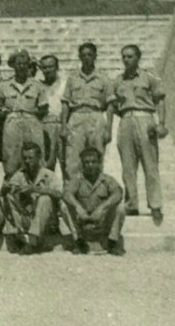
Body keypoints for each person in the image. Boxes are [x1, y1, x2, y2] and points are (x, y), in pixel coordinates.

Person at [111, 44, 167, 225]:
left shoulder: (149, 78)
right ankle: (132, 203)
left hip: (145, 120)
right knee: (128, 166)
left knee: (150, 165)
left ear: (138, 58)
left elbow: (160, 101)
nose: (126, 60)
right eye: (124, 57)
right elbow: (114, 105)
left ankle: (155, 205)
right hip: (126, 120)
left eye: (130, 56)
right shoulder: (118, 81)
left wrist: (161, 124)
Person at [60, 42, 114, 182]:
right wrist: (64, 126)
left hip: (96, 116)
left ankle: (96, 193)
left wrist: (109, 129)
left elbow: (110, 104)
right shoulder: (72, 78)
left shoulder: (103, 78)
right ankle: (73, 195)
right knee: (72, 159)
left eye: (90, 54)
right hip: (76, 116)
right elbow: (65, 103)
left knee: (97, 156)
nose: (86, 57)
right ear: (79, 57)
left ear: (95, 56)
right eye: (83, 55)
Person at [1, 142, 64, 254]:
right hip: (28, 217)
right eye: (25, 158)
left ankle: (33, 241)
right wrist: (7, 188)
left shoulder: (48, 174)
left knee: (45, 198)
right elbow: (9, 190)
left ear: (39, 158)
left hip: (46, 223)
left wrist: (37, 189)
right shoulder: (20, 174)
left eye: (31, 158)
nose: (27, 161)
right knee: (9, 196)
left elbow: (60, 194)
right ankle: (17, 234)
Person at [63, 146, 126, 256]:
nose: (90, 165)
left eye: (93, 162)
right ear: (82, 164)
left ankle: (112, 242)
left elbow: (118, 193)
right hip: (83, 221)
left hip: (101, 222)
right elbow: (66, 193)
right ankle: (79, 242)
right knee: (65, 207)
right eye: (86, 162)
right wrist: (78, 208)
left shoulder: (107, 180)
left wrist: (102, 208)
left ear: (99, 163)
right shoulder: (77, 179)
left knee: (120, 208)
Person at [0, 50, 48, 179]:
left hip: (31, 121)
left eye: (25, 64)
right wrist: (6, 115)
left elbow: (44, 107)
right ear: (13, 65)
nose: (21, 66)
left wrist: (33, 115)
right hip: (12, 123)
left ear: (28, 65)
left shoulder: (37, 85)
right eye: (18, 63)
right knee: (11, 159)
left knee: (34, 158)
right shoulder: (4, 84)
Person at [38, 54, 66, 174]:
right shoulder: (37, 85)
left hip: (62, 124)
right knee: (47, 165)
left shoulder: (65, 84)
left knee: (67, 163)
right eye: (44, 67)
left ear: (57, 67)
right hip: (45, 125)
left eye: (51, 67)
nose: (48, 70)